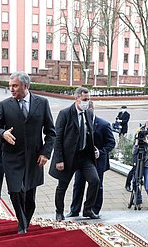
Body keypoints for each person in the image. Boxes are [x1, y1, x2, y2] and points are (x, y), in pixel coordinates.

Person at [0, 71, 56, 234]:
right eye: (10, 85)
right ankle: (22, 223)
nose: (10, 89)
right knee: (15, 190)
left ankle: (25, 220)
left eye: (14, 86)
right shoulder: (5, 105)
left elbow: (51, 132)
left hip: (34, 158)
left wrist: (45, 153)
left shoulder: (42, 103)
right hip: (12, 156)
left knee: (29, 196)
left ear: (25, 86)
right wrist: (2, 134)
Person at [49, 87, 100, 221]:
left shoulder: (88, 114)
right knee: (62, 186)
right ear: (76, 98)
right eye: (84, 99)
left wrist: (94, 148)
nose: (87, 102)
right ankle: (59, 212)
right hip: (68, 158)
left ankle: (88, 209)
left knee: (95, 180)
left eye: (88, 99)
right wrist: (59, 159)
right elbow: (58, 137)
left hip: (85, 157)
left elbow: (88, 134)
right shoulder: (65, 113)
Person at [66, 100, 115, 219]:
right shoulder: (80, 122)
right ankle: (74, 210)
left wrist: (101, 151)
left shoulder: (104, 124)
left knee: (97, 185)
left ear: (92, 110)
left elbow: (111, 143)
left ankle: (93, 210)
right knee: (78, 185)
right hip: (82, 160)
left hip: (98, 161)